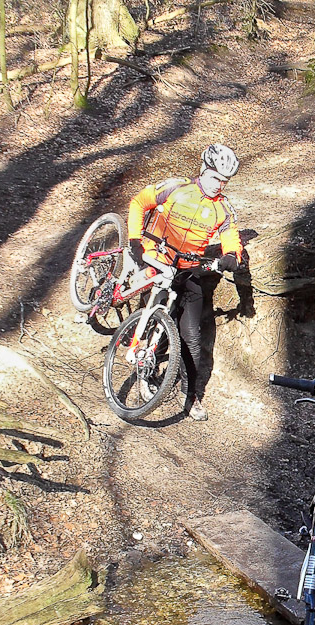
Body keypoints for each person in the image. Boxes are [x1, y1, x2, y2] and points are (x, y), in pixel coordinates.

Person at [127, 143, 245, 421]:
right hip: (157, 259)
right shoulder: (177, 188)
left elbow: (231, 236)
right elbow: (139, 203)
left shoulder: (222, 208)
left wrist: (231, 255)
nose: (218, 185)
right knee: (154, 320)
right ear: (204, 170)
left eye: (224, 181)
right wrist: (134, 239)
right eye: (215, 178)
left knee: (191, 335)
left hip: (188, 269)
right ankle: (145, 374)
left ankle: (190, 395)